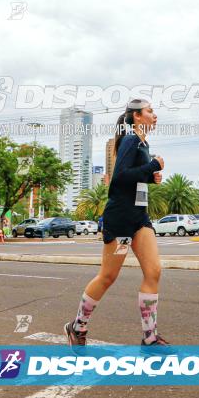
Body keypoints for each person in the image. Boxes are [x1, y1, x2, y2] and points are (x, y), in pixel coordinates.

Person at [65, 98, 168, 348]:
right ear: (136, 117)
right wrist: (153, 165)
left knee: (154, 271)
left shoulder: (143, 143)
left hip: (140, 219)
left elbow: (134, 177)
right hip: (121, 219)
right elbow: (119, 178)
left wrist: (150, 175)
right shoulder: (131, 140)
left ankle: (150, 337)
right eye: (150, 111)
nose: (155, 115)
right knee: (108, 276)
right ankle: (77, 327)